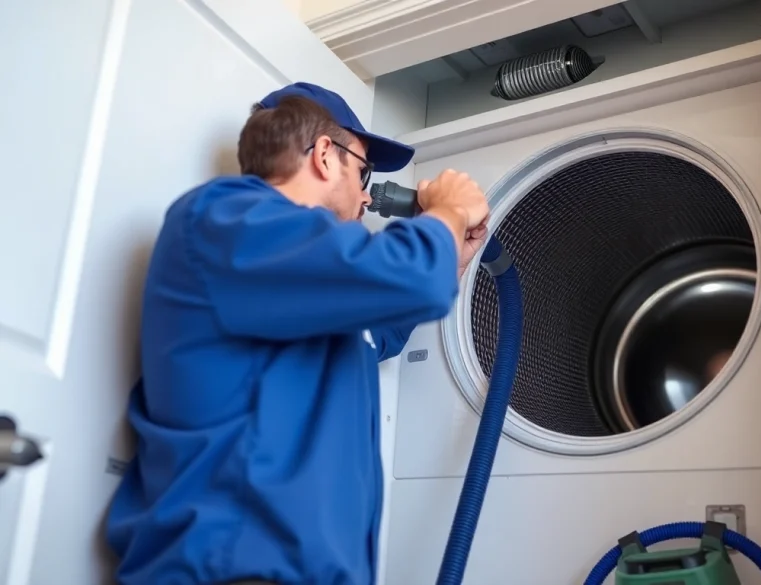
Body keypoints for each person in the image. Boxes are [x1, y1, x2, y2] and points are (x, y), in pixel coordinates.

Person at [105, 82, 491, 585]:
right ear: (326, 156)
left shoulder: (295, 282)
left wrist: (449, 260)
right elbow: (407, 279)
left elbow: (377, 332)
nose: (368, 193)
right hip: (222, 571)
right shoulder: (225, 219)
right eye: (364, 170)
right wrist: (449, 209)